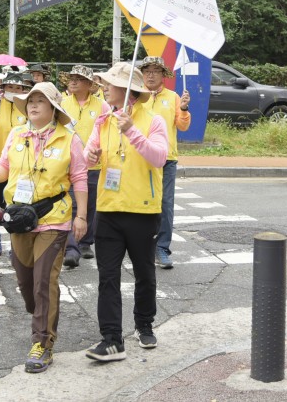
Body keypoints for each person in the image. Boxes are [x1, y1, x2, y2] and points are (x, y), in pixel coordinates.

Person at [0, 82, 87, 373]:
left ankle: (42, 342)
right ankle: (40, 312)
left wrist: (82, 216)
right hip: (19, 218)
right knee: (25, 281)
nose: (33, 105)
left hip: (54, 218)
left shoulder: (69, 139)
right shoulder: (17, 134)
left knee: (43, 281)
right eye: (30, 100)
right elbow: (4, 168)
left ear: (53, 107)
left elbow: (79, 178)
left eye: (40, 100)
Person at [83, 62, 168, 362]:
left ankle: (144, 323)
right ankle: (111, 339)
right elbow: (88, 154)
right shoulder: (103, 121)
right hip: (107, 209)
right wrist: (89, 154)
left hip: (142, 210)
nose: (104, 87)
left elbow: (158, 158)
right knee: (107, 276)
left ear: (127, 90)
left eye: (110, 83)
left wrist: (131, 131)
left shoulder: (153, 120)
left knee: (144, 273)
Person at [138, 57, 191, 270]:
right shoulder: (136, 95)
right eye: (147, 71)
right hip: (141, 157)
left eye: (155, 71)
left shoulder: (173, 97)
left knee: (165, 204)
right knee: (141, 202)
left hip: (167, 159)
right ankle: (141, 246)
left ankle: (162, 248)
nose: (151, 75)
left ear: (163, 75)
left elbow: (182, 125)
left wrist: (185, 109)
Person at [60, 65, 110, 268]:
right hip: (68, 163)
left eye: (78, 79)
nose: (73, 81)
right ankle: (71, 244)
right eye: (71, 78)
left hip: (94, 163)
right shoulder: (62, 104)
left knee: (91, 204)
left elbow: (107, 132)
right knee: (70, 203)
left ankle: (87, 242)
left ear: (90, 85)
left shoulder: (102, 106)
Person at [0, 71, 33, 258]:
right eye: (10, 87)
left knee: (19, 204)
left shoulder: (27, 107)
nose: (14, 90)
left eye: (18, 87)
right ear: (3, 89)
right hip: (0, 166)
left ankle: (16, 241)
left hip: (22, 167)